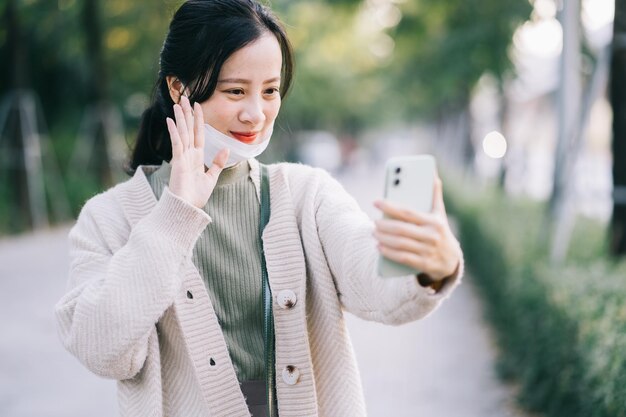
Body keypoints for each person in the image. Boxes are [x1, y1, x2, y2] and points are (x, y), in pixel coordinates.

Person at [54, 1, 463, 416]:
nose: (256, 114)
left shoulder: (308, 195)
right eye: (235, 91)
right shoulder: (109, 218)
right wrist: (175, 214)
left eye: (270, 90)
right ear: (178, 88)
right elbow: (101, 348)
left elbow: (374, 282)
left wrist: (430, 266)